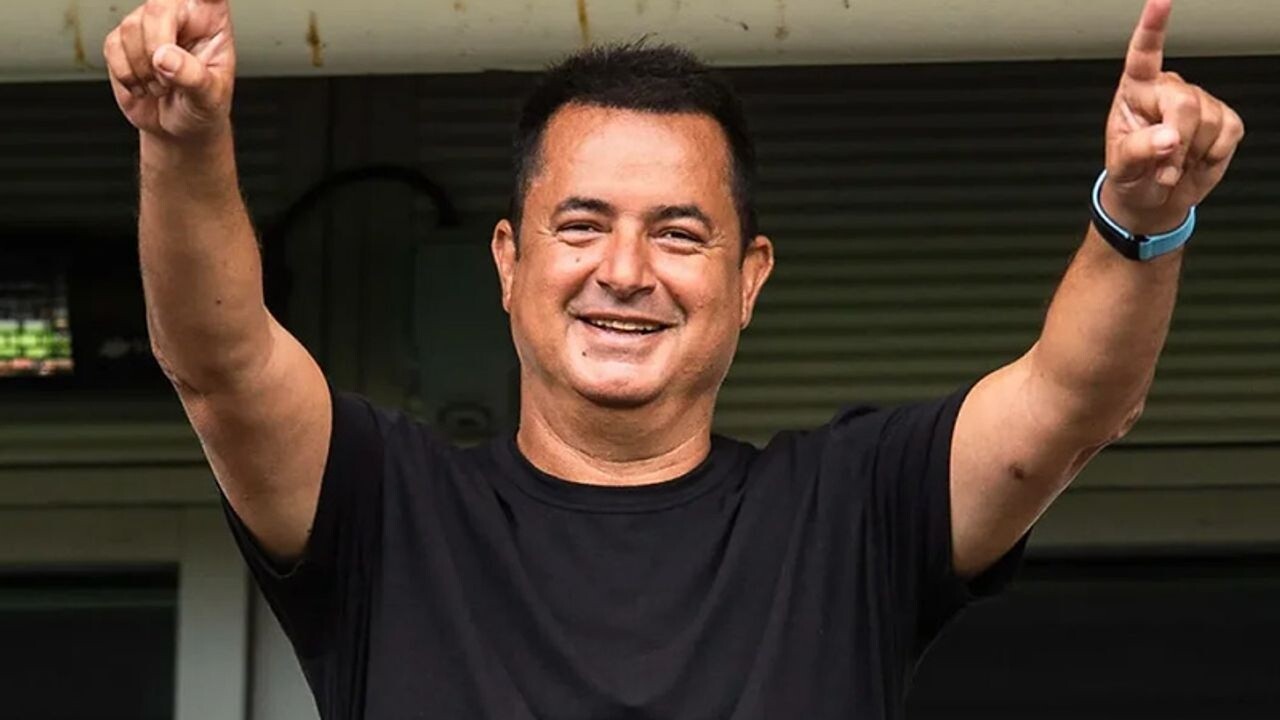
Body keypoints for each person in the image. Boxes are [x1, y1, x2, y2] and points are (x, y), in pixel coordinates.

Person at [103, 0, 1244, 717]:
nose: (625, 271)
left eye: (679, 234)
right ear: (507, 261)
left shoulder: (851, 510)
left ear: (749, 279)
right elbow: (218, 361)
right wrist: (183, 142)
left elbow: (1072, 401)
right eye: (581, 225)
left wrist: (1140, 219)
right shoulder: (383, 508)